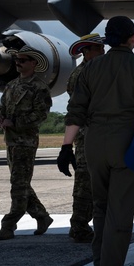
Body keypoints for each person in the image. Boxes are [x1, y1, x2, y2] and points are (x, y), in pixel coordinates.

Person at [64, 15, 134, 266]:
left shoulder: (91, 69)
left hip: (94, 143)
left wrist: (65, 146)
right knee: (120, 212)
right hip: (127, 143)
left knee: (101, 207)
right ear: (133, 38)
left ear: (107, 40)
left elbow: (76, 110)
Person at [0, 45, 53, 241]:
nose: (18, 62)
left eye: (23, 59)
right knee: (21, 183)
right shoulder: (11, 85)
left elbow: (41, 115)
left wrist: (16, 123)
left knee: (18, 185)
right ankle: (41, 216)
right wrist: (0, 119)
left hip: (25, 142)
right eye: (17, 59)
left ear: (34, 63)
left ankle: (9, 225)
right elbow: (2, 107)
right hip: (11, 141)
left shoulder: (39, 87)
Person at [57, 33, 106, 243]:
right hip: (87, 133)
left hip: (92, 132)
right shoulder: (83, 74)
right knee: (85, 180)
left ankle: (83, 224)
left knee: (91, 180)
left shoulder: (92, 70)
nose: (102, 51)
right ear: (86, 52)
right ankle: (79, 225)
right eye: (97, 48)